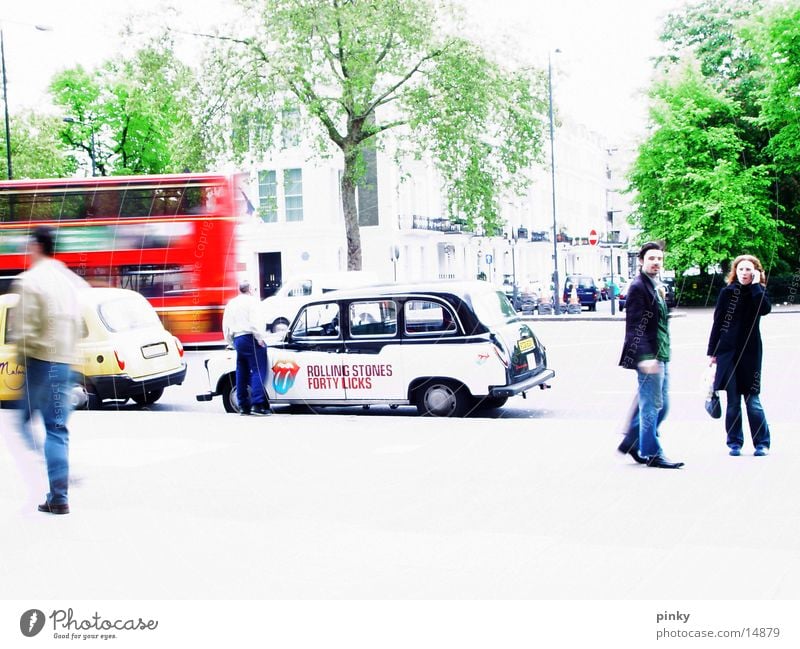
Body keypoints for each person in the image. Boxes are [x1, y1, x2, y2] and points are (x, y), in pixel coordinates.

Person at [8, 226, 89, 514]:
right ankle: (59, 494)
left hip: (41, 362)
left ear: (35, 246)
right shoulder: (68, 279)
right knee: (57, 429)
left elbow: (25, 330)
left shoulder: (30, 281)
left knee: (21, 422)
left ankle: (53, 469)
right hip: (65, 361)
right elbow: (79, 323)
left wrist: (19, 360)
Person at [617, 241, 684, 469]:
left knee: (660, 405)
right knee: (652, 405)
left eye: (659, 259)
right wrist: (645, 356)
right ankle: (653, 453)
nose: (656, 262)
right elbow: (635, 326)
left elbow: (661, 318)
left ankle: (632, 441)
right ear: (641, 261)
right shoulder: (638, 287)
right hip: (649, 355)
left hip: (661, 352)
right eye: (652, 258)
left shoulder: (655, 285)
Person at [707, 255, 771, 456]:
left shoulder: (758, 292)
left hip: (751, 353)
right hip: (728, 353)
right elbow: (717, 323)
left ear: (756, 272)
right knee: (733, 401)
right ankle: (734, 442)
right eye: (741, 269)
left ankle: (762, 443)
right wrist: (712, 353)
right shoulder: (727, 293)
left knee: (753, 401)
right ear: (736, 271)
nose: (745, 273)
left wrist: (755, 286)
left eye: (749, 269)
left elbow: (764, 310)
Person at [222, 280, 270, 416]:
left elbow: (226, 325)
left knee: (241, 370)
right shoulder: (252, 302)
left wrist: (231, 341)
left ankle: (243, 405)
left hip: (238, 339)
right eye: (254, 289)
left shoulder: (231, 303)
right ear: (249, 290)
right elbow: (255, 322)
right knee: (258, 370)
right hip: (250, 338)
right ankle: (258, 404)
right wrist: (259, 338)